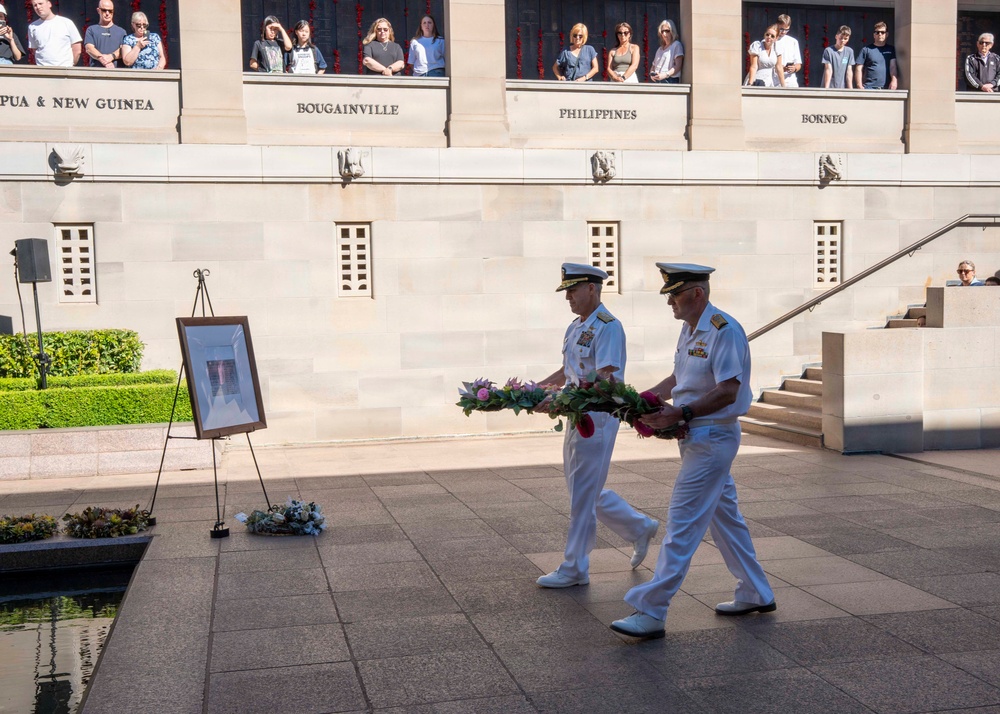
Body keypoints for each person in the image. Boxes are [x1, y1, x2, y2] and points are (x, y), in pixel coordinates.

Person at [610, 263, 775, 639]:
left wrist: (682, 412)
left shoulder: (723, 330)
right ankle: (755, 591)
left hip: (712, 437)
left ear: (697, 293)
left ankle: (651, 609)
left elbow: (728, 390)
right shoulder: (690, 330)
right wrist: (639, 402)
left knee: (682, 522)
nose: (669, 301)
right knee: (726, 520)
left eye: (675, 293)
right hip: (696, 437)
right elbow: (677, 380)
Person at [532, 263, 660, 588]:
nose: (568, 298)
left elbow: (607, 376)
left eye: (573, 291)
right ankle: (638, 527)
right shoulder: (575, 327)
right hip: (577, 413)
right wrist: (535, 390)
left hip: (598, 417)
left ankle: (574, 567)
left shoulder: (609, 326)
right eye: (566, 292)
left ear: (592, 288)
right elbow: (566, 371)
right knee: (582, 489)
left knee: (581, 495)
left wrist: (565, 399)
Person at [27, 0, 82, 67]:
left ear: (49, 4)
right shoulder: (32, 27)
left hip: (65, 69)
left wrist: (71, 65)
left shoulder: (66, 22)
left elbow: (77, 47)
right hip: (43, 70)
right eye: (35, 5)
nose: (38, 7)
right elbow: (34, 49)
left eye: (40, 4)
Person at [855, 21, 897, 90]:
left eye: (882, 32)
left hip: (887, 88)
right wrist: (859, 85)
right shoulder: (866, 50)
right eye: (877, 32)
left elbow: (893, 66)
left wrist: (894, 81)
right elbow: (858, 68)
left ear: (887, 34)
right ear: (874, 35)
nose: (880, 34)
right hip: (869, 88)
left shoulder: (891, 49)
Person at [84, 0, 126, 68]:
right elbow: (89, 48)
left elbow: (124, 50)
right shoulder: (91, 30)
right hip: (96, 73)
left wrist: (111, 56)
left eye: (110, 11)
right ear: (98, 10)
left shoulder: (121, 32)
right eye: (104, 10)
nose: (107, 13)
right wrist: (103, 60)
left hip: (117, 73)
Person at [649, 19, 683, 83]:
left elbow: (678, 66)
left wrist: (665, 75)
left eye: (667, 31)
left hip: (670, 80)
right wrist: (652, 74)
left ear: (672, 31)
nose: (664, 34)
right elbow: (653, 66)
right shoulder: (660, 49)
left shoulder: (676, 45)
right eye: (662, 31)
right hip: (658, 80)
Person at [775, 14, 802, 87]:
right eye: (781, 29)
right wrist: (781, 68)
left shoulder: (793, 41)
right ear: (776, 25)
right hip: (773, 81)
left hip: (790, 81)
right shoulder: (770, 40)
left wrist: (794, 68)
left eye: (786, 30)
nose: (783, 32)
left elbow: (798, 64)